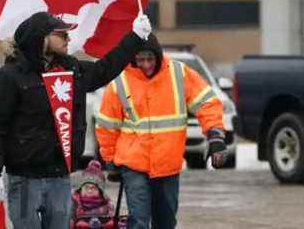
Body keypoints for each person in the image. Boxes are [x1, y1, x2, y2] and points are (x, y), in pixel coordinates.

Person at [0, 11, 151, 229]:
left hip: (59, 176)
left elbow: (104, 69)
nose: (68, 40)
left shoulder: (71, 70)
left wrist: (134, 38)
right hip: (23, 179)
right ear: (41, 38)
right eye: (61, 35)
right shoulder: (9, 76)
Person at [95, 34, 228, 229]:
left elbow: (207, 102)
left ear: (158, 56)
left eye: (150, 59)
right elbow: (108, 125)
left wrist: (215, 135)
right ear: (133, 58)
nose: (146, 65)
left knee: (165, 222)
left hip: (168, 165)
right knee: (138, 221)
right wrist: (110, 159)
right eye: (140, 60)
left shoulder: (178, 74)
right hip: (134, 165)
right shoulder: (120, 82)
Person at [71, 160, 116, 229]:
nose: (89, 191)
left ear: (100, 191)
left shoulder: (108, 206)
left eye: (94, 188)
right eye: (86, 188)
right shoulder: (74, 204)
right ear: (81, 189)